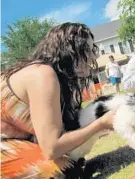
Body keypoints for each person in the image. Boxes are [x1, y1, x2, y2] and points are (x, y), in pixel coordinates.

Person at [1, 22, 116, 178]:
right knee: (60, 172)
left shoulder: (58, 79)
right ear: (69, 52)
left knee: (71, 165)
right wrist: (101, 124)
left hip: (15, 141)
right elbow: (52, 148)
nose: (94, 56)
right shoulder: (43, 74)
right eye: (87, 50)